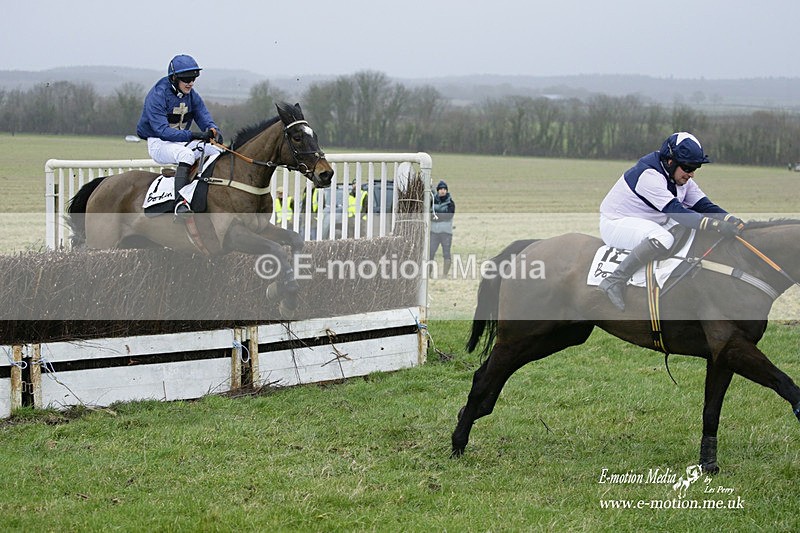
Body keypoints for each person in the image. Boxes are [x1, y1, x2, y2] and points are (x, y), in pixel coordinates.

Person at [598, 132, 743, 311]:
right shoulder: (648, 175)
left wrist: (731, 220)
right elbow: (678, 213)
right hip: (616, 222)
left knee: (688, 230)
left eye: (695, 168)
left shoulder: (680, 177)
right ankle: (614, 280)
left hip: (649, 220)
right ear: (670, 162)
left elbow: (705, 206)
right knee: (664, 238)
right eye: (688, 168)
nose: (691, 174)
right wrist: (716, 225)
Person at [136, 54, 222, 216]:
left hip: (180, 142)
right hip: (159, 143)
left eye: (193, 78)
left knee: (215, 151)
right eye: (186, 79)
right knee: (186, 155)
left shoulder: (192, 95)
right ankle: (179, 203)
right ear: (174, 78)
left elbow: (203, 116)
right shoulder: (157, 95)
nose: (190, 83)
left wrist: (213, 130)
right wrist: (194, 135)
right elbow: (163, 131)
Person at [430, 180, 456, 276]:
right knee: (430, 253)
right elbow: (430, 215)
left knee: (446, 254)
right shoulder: (432, 201)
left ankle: (445, 274)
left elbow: (448, 216)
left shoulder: (451, 203)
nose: (442, 191)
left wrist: (436, 215)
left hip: (446, 233)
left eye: (444, 189)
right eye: (441, 189)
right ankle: (429, 273)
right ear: (438, 190)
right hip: (434, 232)